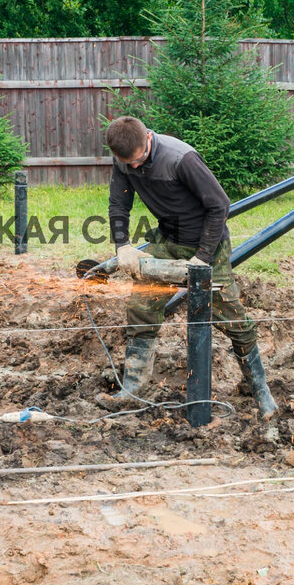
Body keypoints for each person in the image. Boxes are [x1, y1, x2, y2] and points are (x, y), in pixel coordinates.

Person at [101, 116, 277, 419]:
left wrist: (203, 258)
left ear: (148, 140)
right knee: (141, 306)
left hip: (208, 245)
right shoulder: (124, 161)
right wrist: (123, 246)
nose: (133, 167)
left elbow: (220, 204)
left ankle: (260, 389)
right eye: (126, 163)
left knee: (233, 319)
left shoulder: (180, 159)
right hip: (168, 239)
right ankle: (132, 387)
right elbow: (119, 204)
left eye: (138, 159)